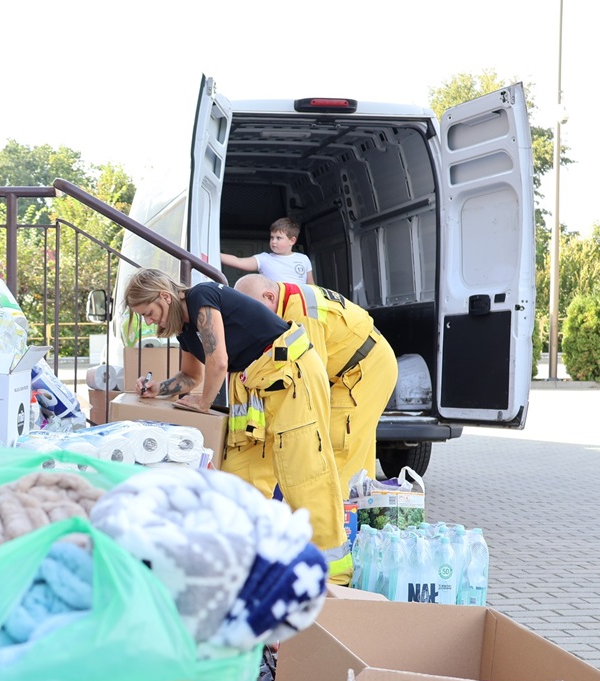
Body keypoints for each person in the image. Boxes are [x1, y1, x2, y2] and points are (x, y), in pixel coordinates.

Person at [124, 268, 351, 584]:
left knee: (303, 472)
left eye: (149, 313)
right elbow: (192, 377)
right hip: (256, 386)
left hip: (291, 371)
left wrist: (203, 404)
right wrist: (156, 389)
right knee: (239, 477)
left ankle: (333, 575)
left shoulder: (202, 296)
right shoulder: (184, 329)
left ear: (164, 296)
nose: (149, 321)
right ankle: (247, 566)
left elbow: (218, 362)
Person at [235, 274, 399, 496]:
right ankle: (355, 516)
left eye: (253, 310)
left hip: (363, 370)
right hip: (359, 366)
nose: (252, 319)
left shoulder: (301, 315)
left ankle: (329, 524)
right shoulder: (288, 300)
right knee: (356, 453)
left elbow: (311, 377)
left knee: (336, 448)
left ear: (269, 296)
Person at [220, 217, 314, 284]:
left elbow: (311, 286)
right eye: (271, 237)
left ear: (292, 240)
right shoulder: (264, 258)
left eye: (278, 238)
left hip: (298, 307)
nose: (273, 241)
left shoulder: (303, 259)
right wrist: (216, 255)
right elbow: (238, 261)